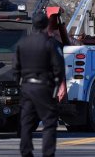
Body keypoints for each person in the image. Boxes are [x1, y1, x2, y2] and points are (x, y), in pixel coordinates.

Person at [13, 12, 65, 157]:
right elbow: (59, 66)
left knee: (26, 122)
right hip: (44, 86)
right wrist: (56, 84)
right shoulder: (50, 43)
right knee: (49, 123)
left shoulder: (22, 43)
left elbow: (15, 67)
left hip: (27, 87)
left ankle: (26, 152)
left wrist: (20, 84)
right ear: (46, 25)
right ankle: (48, 154)